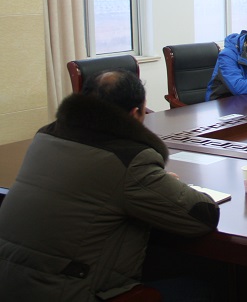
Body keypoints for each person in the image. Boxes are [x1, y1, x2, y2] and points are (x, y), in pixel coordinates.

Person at [0, 70, 220, 301]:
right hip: (67, 291)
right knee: (203, 288)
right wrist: (160, 184)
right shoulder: (128, 159)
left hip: (10, 283)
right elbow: (201, 216)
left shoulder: (46, 136)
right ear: (135, 113)